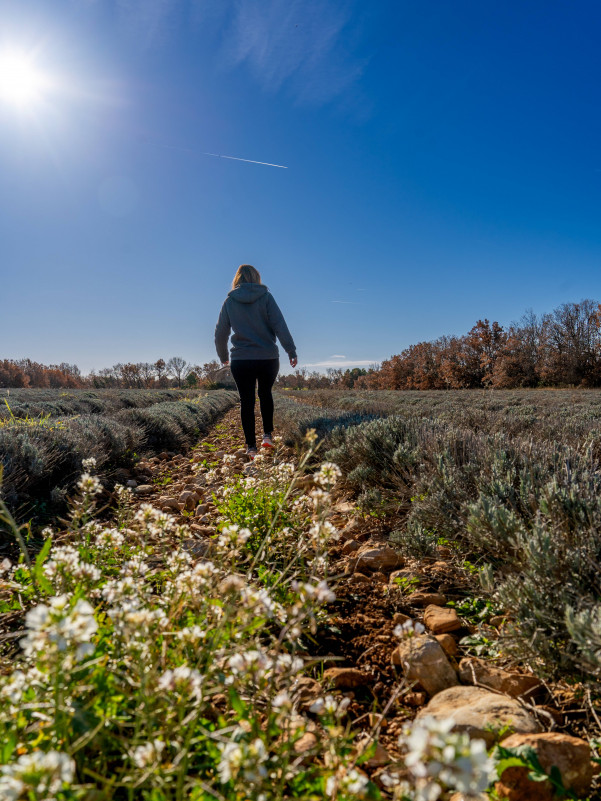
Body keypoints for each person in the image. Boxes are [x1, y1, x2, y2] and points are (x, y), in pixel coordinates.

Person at [215, 264, 297, 458]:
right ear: (256, 278)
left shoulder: (229, 301)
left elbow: (220, 334)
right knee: (265, 394)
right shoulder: (266, 297)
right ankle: (267, 436)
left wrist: (224, 357)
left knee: (247, 401)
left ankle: (251, 447)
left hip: (241, 359)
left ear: (237, 278)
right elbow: (280, 325)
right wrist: (290, 350)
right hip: (268, 357)